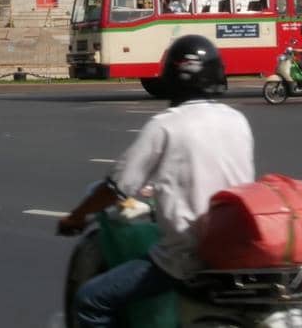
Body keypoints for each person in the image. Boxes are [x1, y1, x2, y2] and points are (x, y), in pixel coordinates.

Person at [59, 35, 255, 327]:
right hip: (238, 250)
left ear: (171, 78)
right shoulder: (237, 120)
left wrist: (76, 216)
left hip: (186, 258)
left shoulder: (165, 125)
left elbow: (117, 188)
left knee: (91, 301)